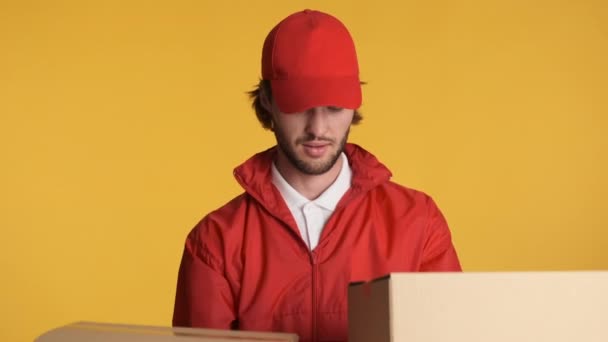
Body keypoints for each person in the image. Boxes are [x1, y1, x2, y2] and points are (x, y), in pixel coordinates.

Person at [172, 8, 461, 342]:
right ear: (267, 101)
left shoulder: (418, 222)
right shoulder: (215, 243)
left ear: (355, 104)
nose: (318, 128)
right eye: (299, 107)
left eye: (335, 108)